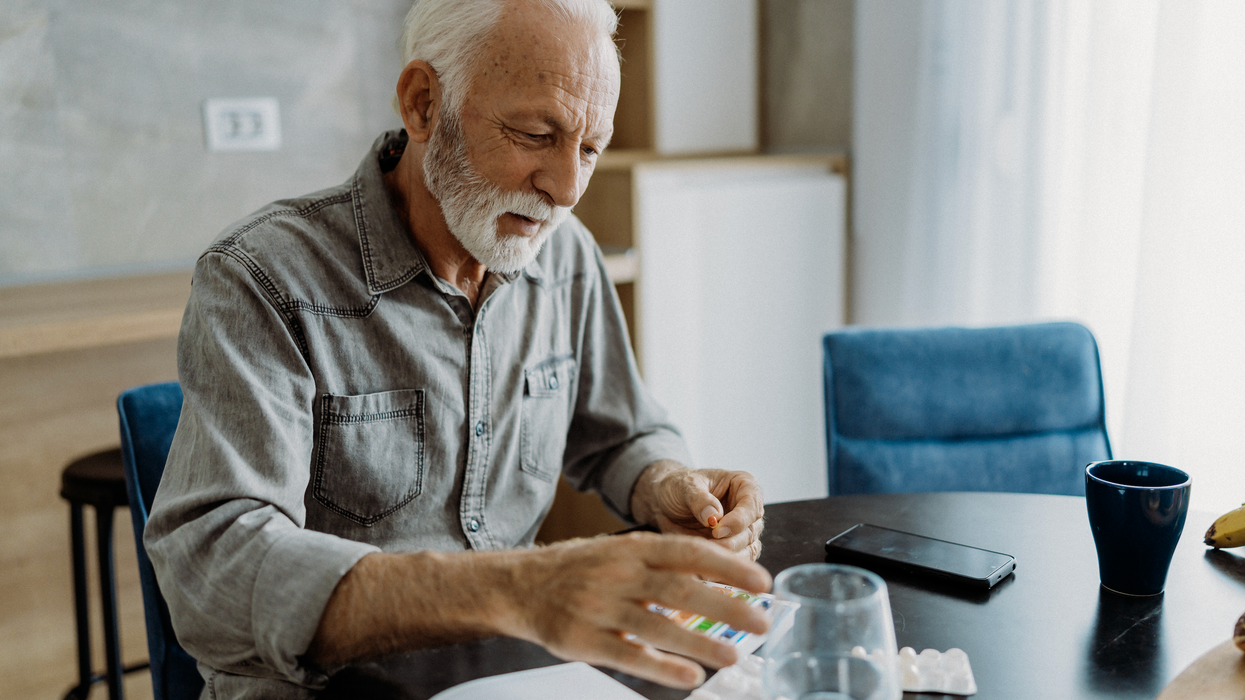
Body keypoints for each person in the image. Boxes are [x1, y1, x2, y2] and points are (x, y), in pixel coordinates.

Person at [144, 0, 768, 697]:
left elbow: (620, 434)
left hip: (513, 676)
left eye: (590, 148)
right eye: (536, 133)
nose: (565, 189)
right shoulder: (263, 277)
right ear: (422, 104)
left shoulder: (565, 258)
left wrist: (665, 483)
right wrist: (516, 589)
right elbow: (213, 572)